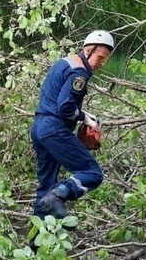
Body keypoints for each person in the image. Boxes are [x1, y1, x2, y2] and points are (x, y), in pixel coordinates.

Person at [31, 30, 115, 220]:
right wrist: (84, 117)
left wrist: (83, 117)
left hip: (39, 128)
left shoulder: (64, 62)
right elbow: (65, 107)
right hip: (54, 128)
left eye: (105, 59)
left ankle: (36, 245)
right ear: (88, 50)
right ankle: (59, 195)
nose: (102, 63)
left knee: (45, 187)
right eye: (100, 57)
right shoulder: (80, 71)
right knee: (92, 173)